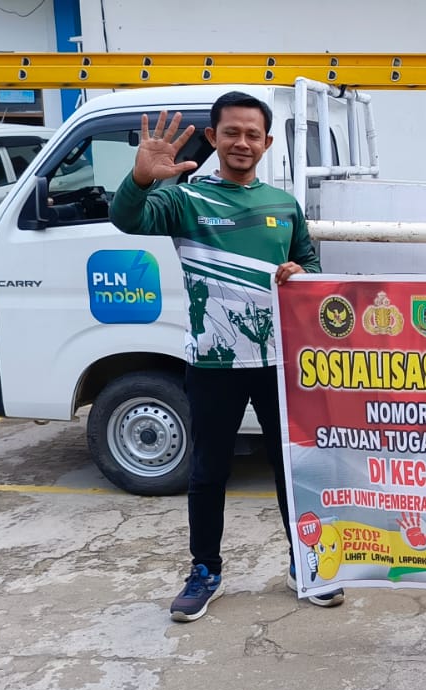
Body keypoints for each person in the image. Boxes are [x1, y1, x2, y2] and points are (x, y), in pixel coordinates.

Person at [109, 91, 343, 622]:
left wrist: (301, 273)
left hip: (278, 361)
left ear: (267, 142)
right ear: (213, 138)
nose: (242, 142)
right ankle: (205, 571)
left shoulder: (283, 204)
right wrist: (141, 178)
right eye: (231, 133)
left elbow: (309, 263)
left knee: (292, 470)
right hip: (212, 363)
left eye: (252, 134)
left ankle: (305, 563)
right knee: (208, 472)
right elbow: (128, 218)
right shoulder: (185, 199)